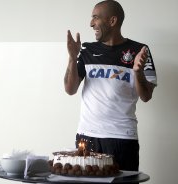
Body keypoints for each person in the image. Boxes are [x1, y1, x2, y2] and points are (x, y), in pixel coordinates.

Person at [64, 0, 157, 171]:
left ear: (112, 21)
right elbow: (70, 89)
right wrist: (72, 57)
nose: (91, 23)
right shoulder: (87, 51)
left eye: (95, 18)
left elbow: (146, 96)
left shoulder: (140, 50)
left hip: (122, 138)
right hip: (87, 137)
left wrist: (137, 72)